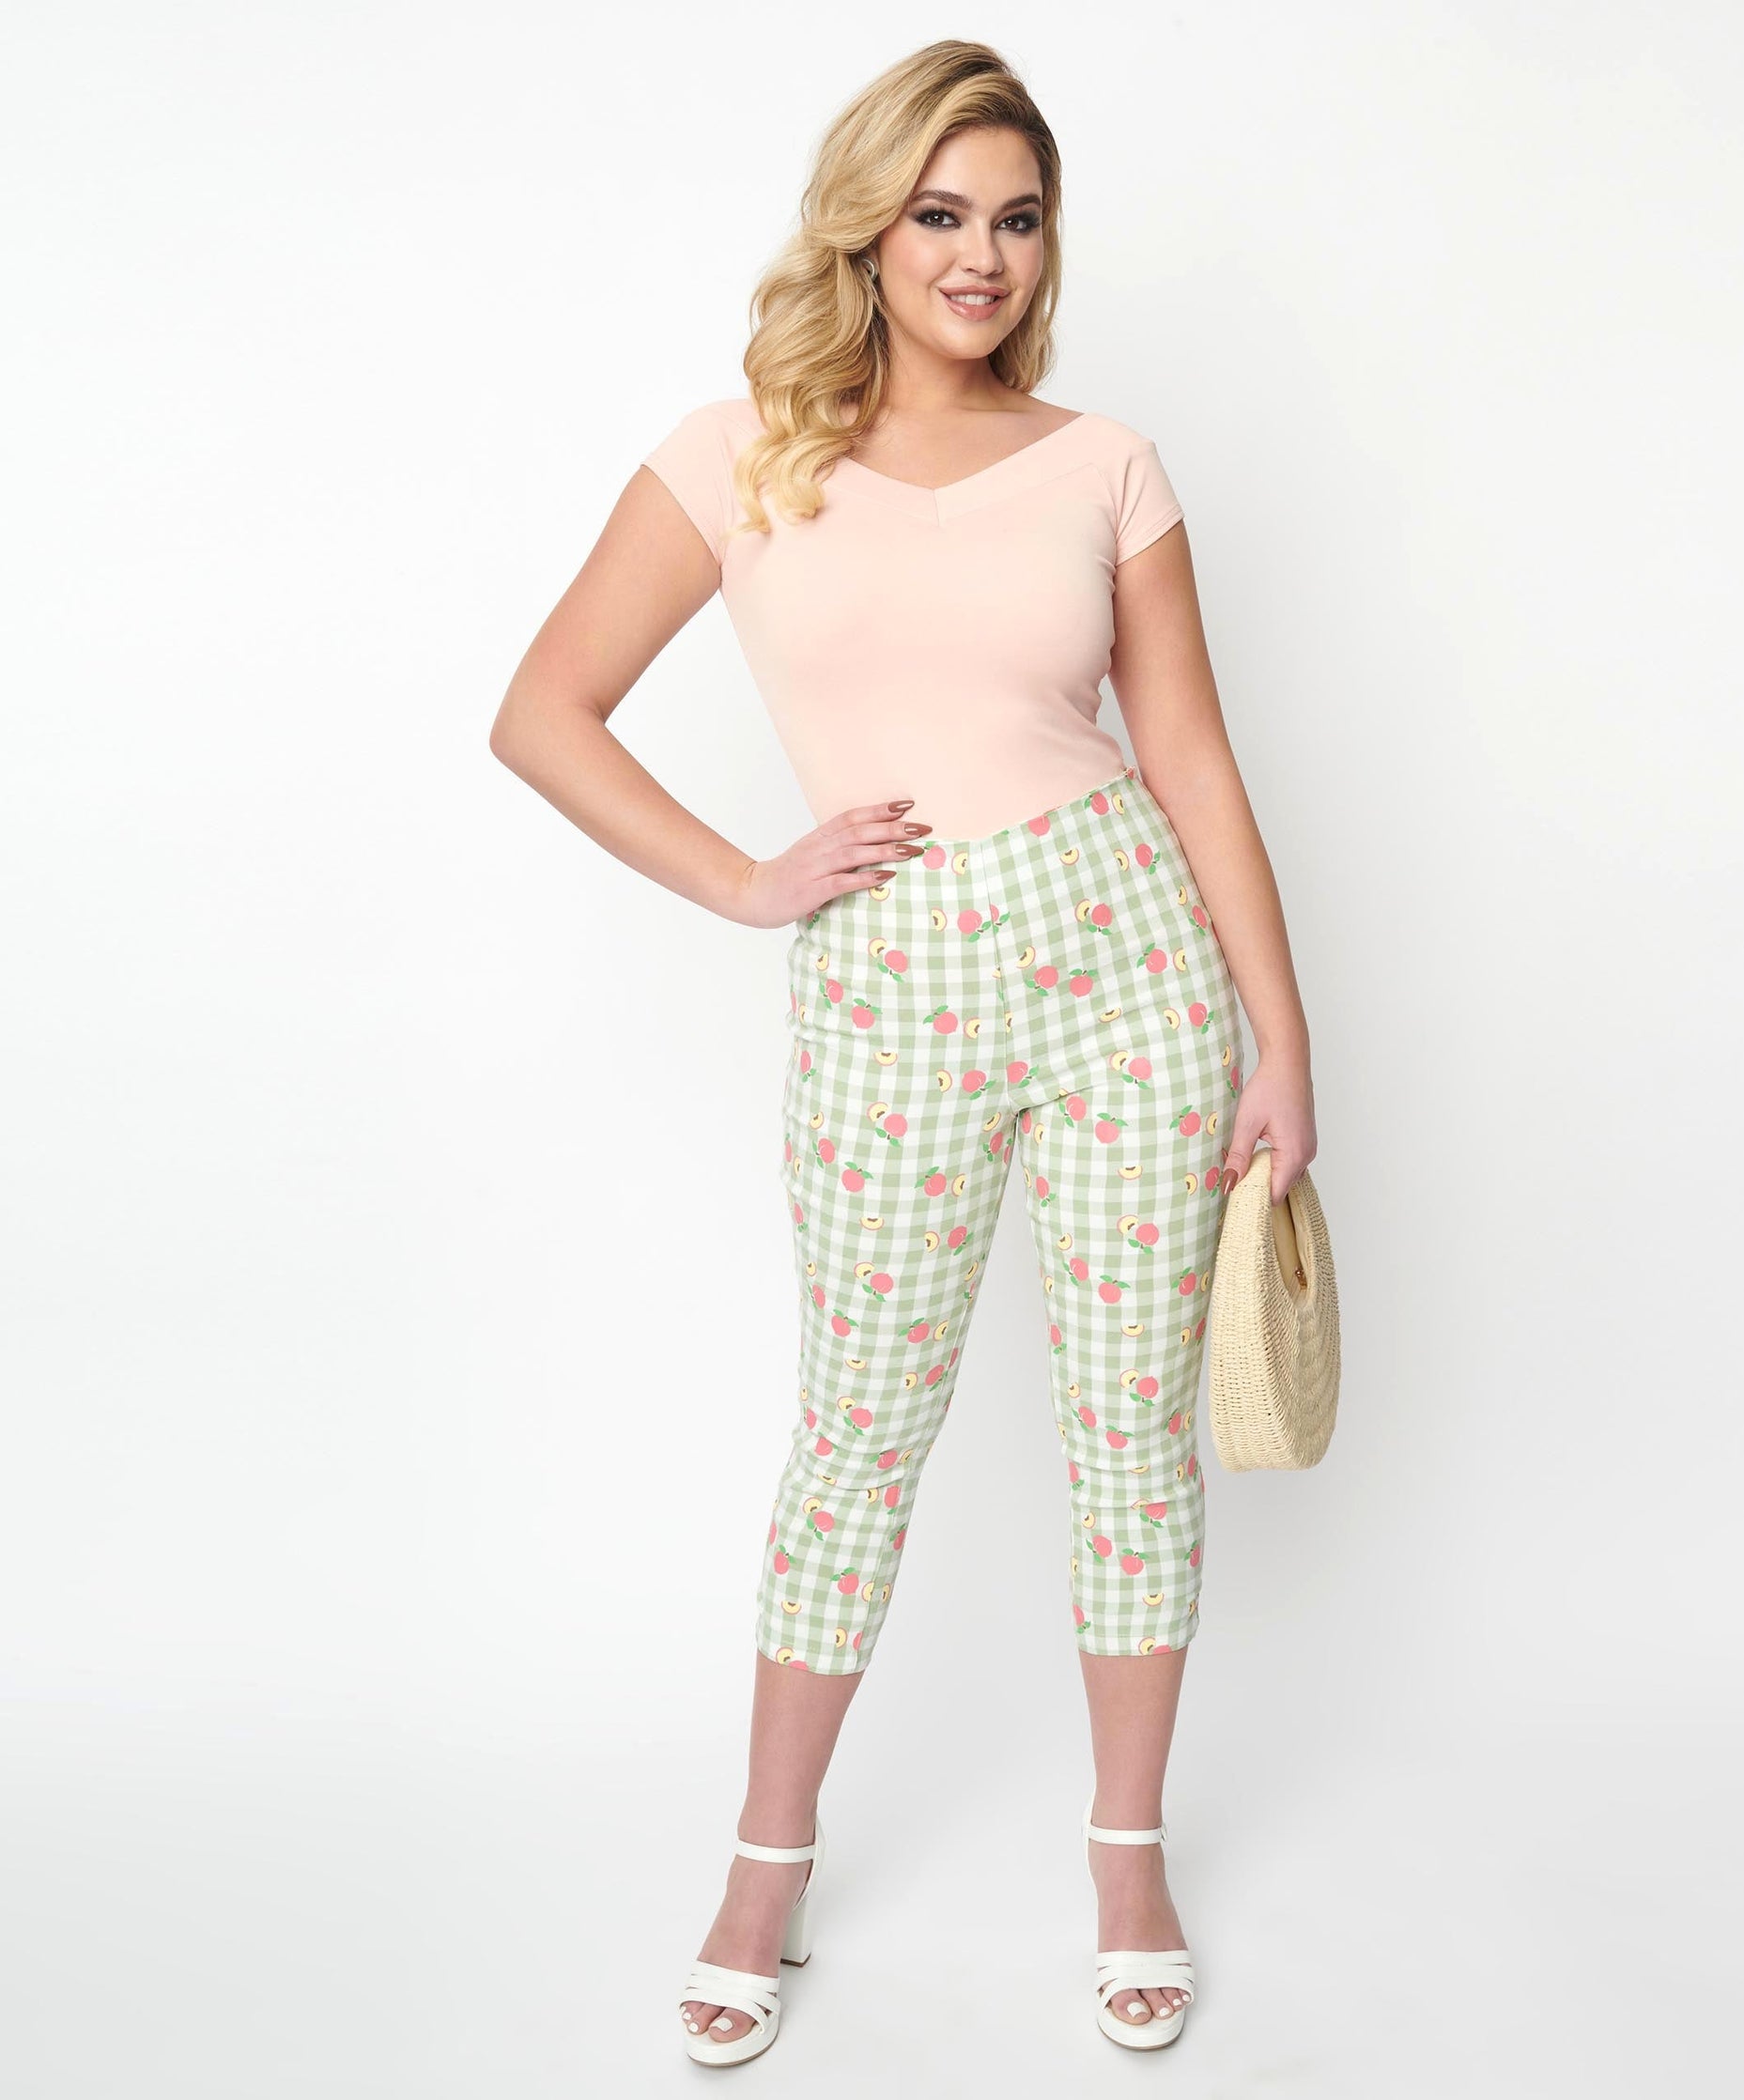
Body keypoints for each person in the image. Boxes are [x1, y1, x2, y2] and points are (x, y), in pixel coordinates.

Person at [489, 38, 1318, 2066]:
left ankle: (1127, 1855)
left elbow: (1192, 755)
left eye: (1017, 219)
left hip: (1127, 962)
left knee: (1130, 1436)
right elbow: (543, 710)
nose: (981, 256)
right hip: (888, 983)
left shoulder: (1104, 460)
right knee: (857, 1434)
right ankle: (766, 1861)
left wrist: (1282, 1037)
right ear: (867, 226)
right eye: (941, 213)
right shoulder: (741, 454)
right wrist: (747, 880)